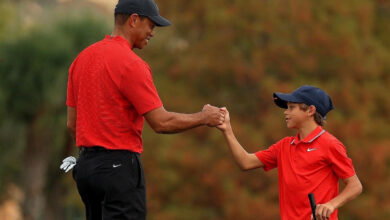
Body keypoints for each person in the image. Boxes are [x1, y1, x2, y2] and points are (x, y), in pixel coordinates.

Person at [64, 0, 225, 219]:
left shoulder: (81, 60)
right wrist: (204, 117)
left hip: (85, 169)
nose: (153, 33)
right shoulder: (131, 64)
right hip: (118, 169)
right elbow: (161, 122)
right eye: (151, 25)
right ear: (134, 20)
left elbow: (72, 124)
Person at [217, 85, 362, 220]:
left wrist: (331, 205)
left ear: (310, 111)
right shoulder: (284, 146)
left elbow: (355, 186)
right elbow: (246, 162)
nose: (286, 112)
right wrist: (227, 129)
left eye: (292, 107)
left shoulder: (330, 144)